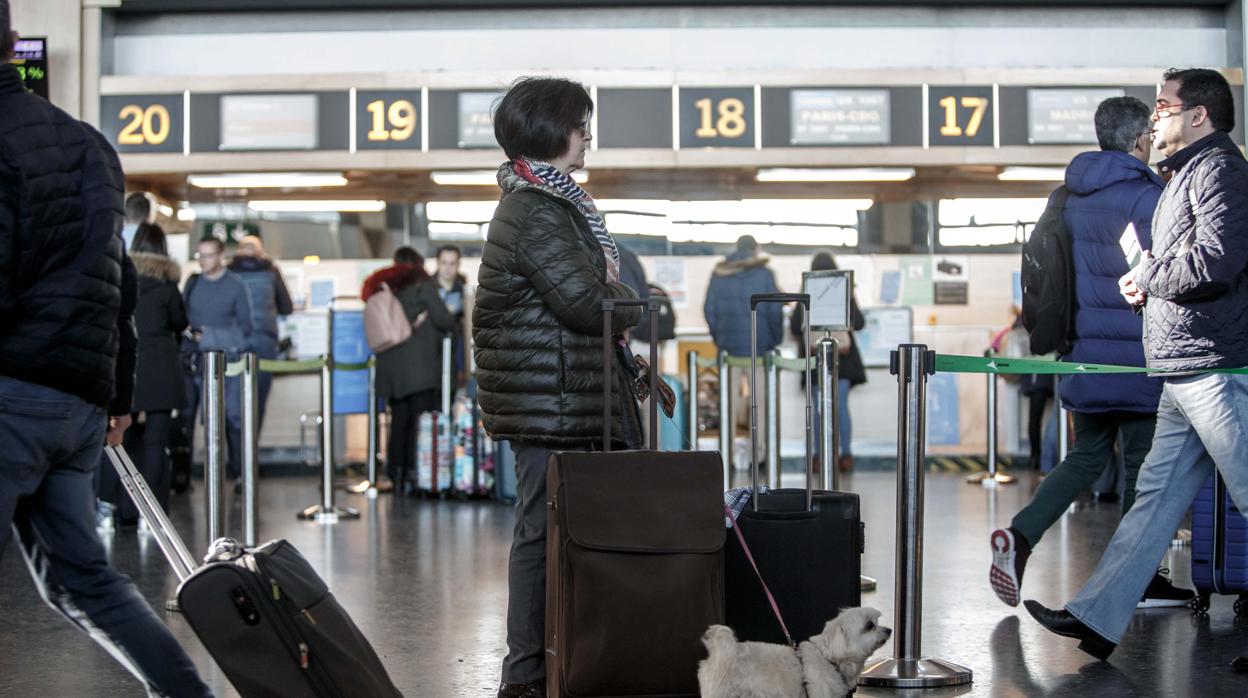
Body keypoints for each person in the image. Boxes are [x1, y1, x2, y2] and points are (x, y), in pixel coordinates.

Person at [0, 4, 211, 693]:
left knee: (83, 580)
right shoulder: (89, 142)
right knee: (84, 580)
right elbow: (114, 281)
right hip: (77, 405)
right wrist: (115, 395)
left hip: (11, 392)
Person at [1025, 68, 1248, 664]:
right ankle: (1096, 617)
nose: (1155, 116)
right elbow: (1185, 261)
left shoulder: (1220, 171)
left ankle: (1096, 614)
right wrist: (1146, 281)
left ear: (1198, 114)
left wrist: (1149, 276)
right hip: (1181, 362)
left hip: (1212, 364)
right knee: (1152, 502)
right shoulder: (1181, 176)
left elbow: (1217, 262)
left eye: (1164, 105)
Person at [473, 76, 642, 698]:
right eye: (579, 123)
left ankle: (558, 666)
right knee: (542, 542)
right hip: (552, 403)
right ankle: (525, 679)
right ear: (549, 130)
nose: (588, 136)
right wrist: (634, 301)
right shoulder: (537, 208)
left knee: (552, 538)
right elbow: (583, 301)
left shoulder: (551, 201)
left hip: (560, 397)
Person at [991, 95, 1192, 610]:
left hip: (1084, 356)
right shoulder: (1148, 197)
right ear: (1139, 141)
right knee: (1142, 469)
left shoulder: (1069, 195)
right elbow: (1165, 277)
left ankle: (1020, 535)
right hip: (1140, 356)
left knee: (1084, 458)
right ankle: (1137, 578)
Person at [98, 223, 188, 524]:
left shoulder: (124, 278)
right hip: (161, 369)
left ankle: (109, 510)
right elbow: (179, 320)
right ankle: (153, 517)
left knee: (118, 439)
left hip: (127, 368)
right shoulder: (167, 285)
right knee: (155, 443)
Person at [362, 246, 456, 493]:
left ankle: (396, 473)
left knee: (399, 421)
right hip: (419, 367)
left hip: (391, 367)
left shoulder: (382, 286)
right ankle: (416, 473)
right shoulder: (421, 286)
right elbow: (444, 319)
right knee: (419, 421)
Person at [183, 235, 254, 485]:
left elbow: (246, 330)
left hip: (227, 365)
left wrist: (209, 335)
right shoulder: (192, 284)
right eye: (200, 255)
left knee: (232, 419)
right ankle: (190, 476)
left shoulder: (236, 286)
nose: (203, 260)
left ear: (221, 255)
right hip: (195, 364)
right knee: (194, 420)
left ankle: (239, 473)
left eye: (208, 255)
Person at [791, 251, 866, 473]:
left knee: (818, 409)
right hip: (842, 359)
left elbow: (796, 326)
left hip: (816, 359)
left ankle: (817, 457)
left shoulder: (807, 289)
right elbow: (859, 323)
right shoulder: (842, 288)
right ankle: (845, 456)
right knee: (841, 407)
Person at [228, 234, 293, 428]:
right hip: (265, 339)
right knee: (259, 396)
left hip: (235, 339)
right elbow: (287, 307)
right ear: (260, 251)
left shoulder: (228, 271)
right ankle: (252, 446)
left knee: (233, 397)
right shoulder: (271, 270)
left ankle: (236, 452)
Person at [434, 244, 469, 388]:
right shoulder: (426, 289)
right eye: (444, 263)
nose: (448, 268)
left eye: (452, 263)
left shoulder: (464, 291)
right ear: (437, 263)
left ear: (458, 264)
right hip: (432, 353)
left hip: (456, 353)